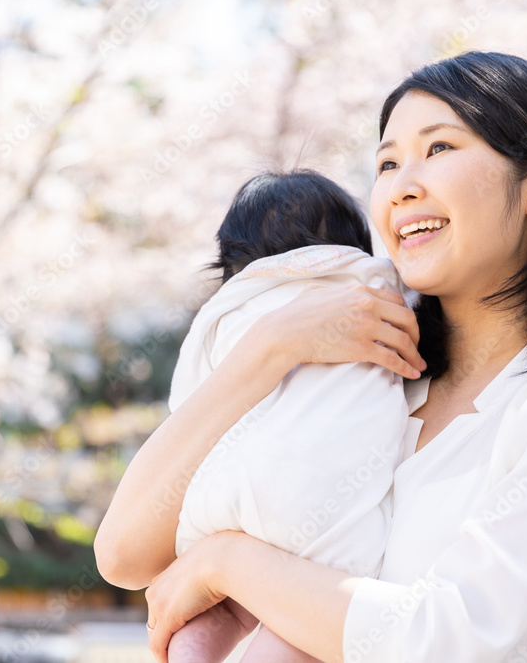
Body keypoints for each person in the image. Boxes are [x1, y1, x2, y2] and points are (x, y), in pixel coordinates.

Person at [95, 51, 527, 663]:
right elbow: (125, 554)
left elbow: (457, 642)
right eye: (387, 163)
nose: (402, 186)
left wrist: (226, 561)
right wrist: (271, 345)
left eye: (440, 149)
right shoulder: (361, 390)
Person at [163, 169, 416, 662]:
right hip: (320, 497)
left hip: (221, 501)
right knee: (301, 612)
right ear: (354, 245)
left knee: (226, 608)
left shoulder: (228, 309)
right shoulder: (375, 286)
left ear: (230, 263)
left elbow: (187, 400)